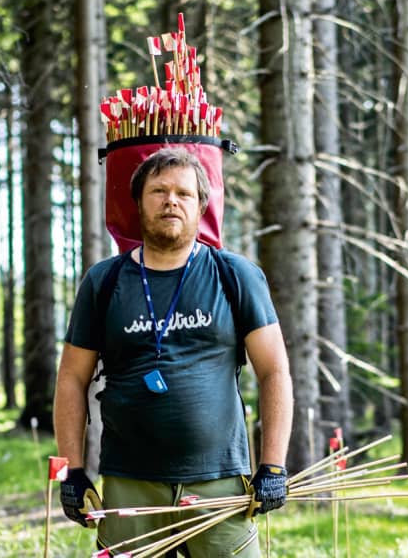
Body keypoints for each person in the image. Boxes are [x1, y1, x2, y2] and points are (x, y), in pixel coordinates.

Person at [54, 148, 293, 557]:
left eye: (184, 193)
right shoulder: (104, 281)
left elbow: (274, 371)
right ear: (138, 201)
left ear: (202, 205)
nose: (171, 201)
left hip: (218, 483)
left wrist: (272, 466)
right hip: (130, 484)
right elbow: (72, 378)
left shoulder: (234, 275)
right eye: (159, 190)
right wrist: (72, 472)